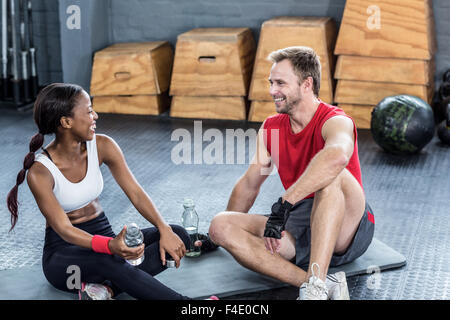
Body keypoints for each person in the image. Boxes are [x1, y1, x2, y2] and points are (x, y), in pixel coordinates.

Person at [208, 46, 375, 300]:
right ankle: (319, 285)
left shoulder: (336, 120)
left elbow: (338, 157)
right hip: (299, 219)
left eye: (280, 83)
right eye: (271, 83)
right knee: (220, 225)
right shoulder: (271, 128)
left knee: (332, 173)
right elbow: (250, 184)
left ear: (306, 84)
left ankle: (315, 286)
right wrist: (222, 235)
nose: (272, 91)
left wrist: (285, 203)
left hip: (347, 224)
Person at [6, 83, 195, 300]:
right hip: (65, 263)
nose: (95, 115)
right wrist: (110, 246)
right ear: (66, 122)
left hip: (105, 241)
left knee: (177, 234)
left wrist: (164, 229)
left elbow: (135, 193)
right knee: (108, 260)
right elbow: (65, 229)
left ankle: (106, 290)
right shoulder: (40, 172)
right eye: (88, 111)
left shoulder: (103, 145)